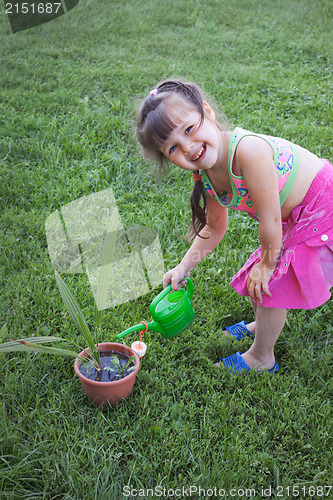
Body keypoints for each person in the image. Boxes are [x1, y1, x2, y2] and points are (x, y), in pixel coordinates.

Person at [136, 79, 333, 373]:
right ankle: (261, 325)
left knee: (270, 283)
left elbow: (270, 220)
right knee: (260, 278)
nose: (188, 148)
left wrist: (266, 265)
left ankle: (261, 357)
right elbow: (215, 228)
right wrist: (183, 267)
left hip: (322, 206)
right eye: (173, 148)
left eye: (189, 130)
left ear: (207, 112)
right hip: (291, 215)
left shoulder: (248, 152)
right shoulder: (206, 175)